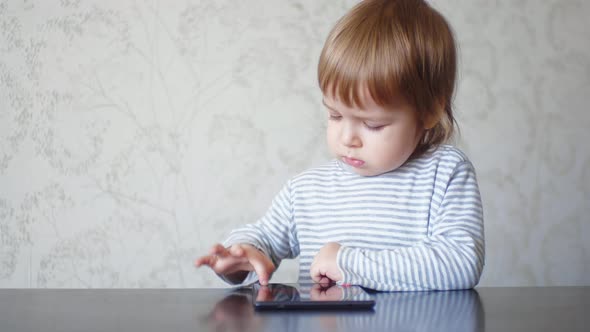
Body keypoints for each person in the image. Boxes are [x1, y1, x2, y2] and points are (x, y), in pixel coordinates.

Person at [195, 0, 485, 291]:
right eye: (335, 115)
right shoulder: (307, 191)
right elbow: (264, 237)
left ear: (430, 111)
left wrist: (349, 263)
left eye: (373, 124)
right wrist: (243, 253)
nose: (347, 138)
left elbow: (460, 261)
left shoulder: (445, 173)